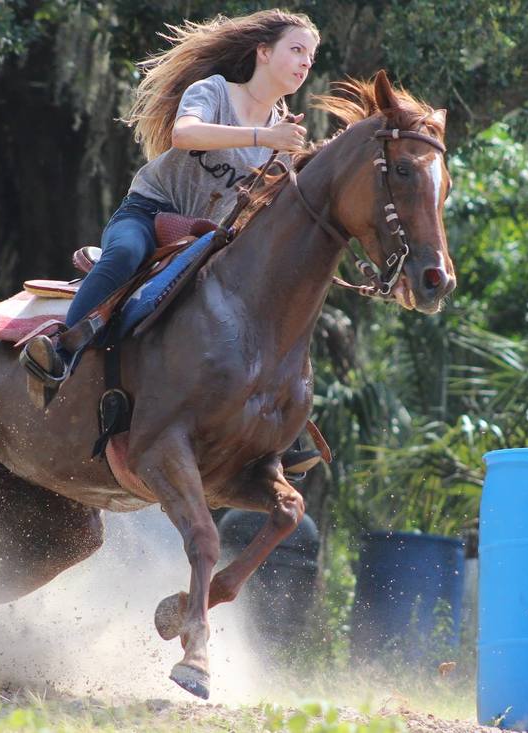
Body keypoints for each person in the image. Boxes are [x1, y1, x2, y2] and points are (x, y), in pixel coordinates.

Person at [23, 9, 322, 474]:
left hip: (206, 243)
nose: (306, 63)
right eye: (297, 50)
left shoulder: (285, 133)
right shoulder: (216, 91)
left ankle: (278, 429)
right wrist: (267, 136)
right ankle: (60, 353)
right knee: (124, 254)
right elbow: (184, 135)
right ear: (263, 53)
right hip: (149, 212)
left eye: (311, 56)